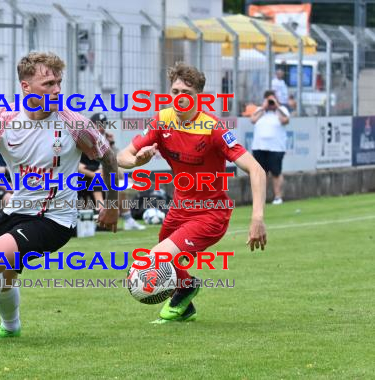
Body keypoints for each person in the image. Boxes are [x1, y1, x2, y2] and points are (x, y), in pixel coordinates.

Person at [0, 51, 118, 341]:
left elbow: (108, 159)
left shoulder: (74, 124)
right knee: (5, 276)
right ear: (26, 86)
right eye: (48, 83)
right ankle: (11, 327)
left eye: (59, 82)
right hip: (18, 212)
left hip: (55, 219)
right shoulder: (4, 120)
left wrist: (111, 206)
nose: (57, 89)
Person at [118, 62, 267, 323]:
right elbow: (122, 156)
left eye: (186, 93)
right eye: (175, 91)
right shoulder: (161, 121)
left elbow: (256, 170)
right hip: (179, 210)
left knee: (155, 261)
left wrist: (257, 217)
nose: (179, 98)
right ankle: (185, 303)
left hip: (210, 215)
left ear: (199, 96)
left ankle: (184, 291)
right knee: (167, 262)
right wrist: (137, 162)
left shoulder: (213, 129)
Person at [79, 113, 145, 230]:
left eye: (104, 124)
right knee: (98, 180)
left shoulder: (103, 141)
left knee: (121, 183)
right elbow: (77, 167)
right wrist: (96, 174)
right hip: (83, 177)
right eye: (98, 124)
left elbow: (114, 162)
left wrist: (112, 144)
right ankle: (102, 215)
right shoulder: (82, 139)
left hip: (100, 175)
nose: (101, 127)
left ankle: (128, 219)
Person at [250, 90, 290, 205]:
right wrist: (263, 107)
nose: (271, 102)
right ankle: (261, 197)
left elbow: (285, 120)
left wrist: (277, 107)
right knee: (261, 173)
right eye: (269, 100)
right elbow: (252, 120)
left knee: (276, 173)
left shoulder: (281, 110)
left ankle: (278, 197)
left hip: (276, 147)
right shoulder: (260, 110)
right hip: (259, 147)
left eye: (273, 100)